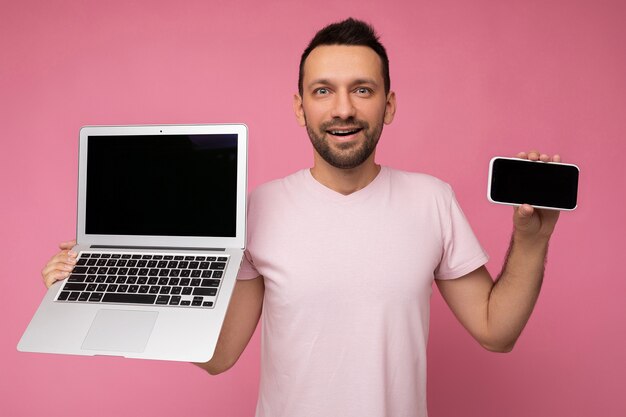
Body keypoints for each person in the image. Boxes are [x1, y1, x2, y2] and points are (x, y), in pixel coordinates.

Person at [42, 18, 562, 417]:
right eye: (322, 91)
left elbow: (497, 331)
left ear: (389, 104)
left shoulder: (432, 200)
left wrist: (532, 240)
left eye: (362, 89)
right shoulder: (257, 210)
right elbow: (218, 355)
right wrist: (111, 285)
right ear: (299, 107)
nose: (342, 109)